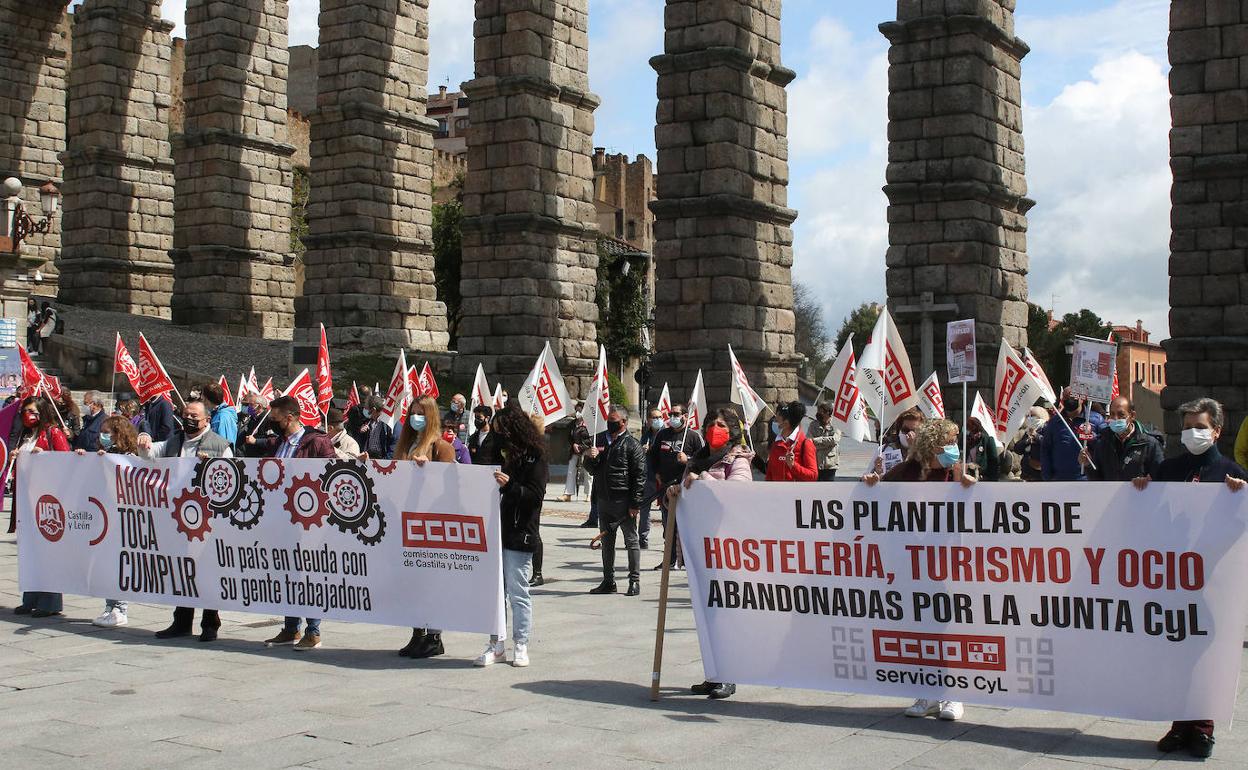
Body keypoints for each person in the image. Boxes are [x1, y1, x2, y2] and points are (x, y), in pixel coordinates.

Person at [1134, 397, 1246, 759]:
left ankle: (1202, 728)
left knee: (1205, 654)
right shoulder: (1169, 469)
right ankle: (1179, 724)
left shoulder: (1231, 474)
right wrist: (1139, 490)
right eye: (1185, 428)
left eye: (1199, 427)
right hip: (1173, 581)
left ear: (1216, 430)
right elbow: (1152, 513)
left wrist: (1241, 498)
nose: (1192, 434)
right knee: (1176, 653)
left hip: (1213, 584)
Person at [863, 418, 975, 721]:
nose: (953, 449)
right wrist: (871, 482)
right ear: (931, 445)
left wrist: (970, 486)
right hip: (912, 567)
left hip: (948, 566)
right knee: (921, 629)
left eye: (955, 443)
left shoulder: (957, 472)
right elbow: (874, 498)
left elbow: (982, 508)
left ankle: (954, 695)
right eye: (948, 443)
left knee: (948, 630)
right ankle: (927, 694)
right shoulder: (905, 473)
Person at [671, 407, 753, 701]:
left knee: (725, 617)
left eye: (720, 425)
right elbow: (688, 496)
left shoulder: (738, 460)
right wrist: (678, 492)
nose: (714, 428)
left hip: (727, 550)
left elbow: (737, 495)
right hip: (700, 549)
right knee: (707, 618)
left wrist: (703, 477)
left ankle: (729, 675)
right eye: (710, 424)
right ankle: (713, 674)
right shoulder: (696, 459)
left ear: (731, 431)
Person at [244, 396, 335, 651]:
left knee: (309, 575)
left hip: (308, 520)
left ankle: (313, 630)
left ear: (290, 418)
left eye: (275, 419)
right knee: (287, 572)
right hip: (281, 517)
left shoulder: (317, 442)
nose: (271, 423)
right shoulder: (278, 443)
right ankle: (290, 627)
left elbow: (333, 473)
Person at [138, 399, 232, 641]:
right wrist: (144, 440)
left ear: (207, 420)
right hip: (179, 516)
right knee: (183, 570)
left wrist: (210, 467)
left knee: (208, 571)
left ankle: (210, 624)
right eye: (185, 414)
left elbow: (231, 479)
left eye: (194, 416)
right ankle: (182, 620)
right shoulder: (175, 440)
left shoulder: (220, 446)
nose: (189, 419)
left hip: (207, 520)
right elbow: (148, 455)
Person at [474, 403, 547, 668]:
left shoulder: (534, 455)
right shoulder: (495, 448)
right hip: (492, 529)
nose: (498, 434)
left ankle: (521, 643)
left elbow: (536, 496)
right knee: (495, 592)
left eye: (501, 430)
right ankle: (496, 644)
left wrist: (511, 486)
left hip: (519, 531)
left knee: (518, 591)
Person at [394, 395, 457, 659]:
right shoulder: (406, 444)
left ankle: (434, 636)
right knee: (412, 583)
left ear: (430, 416)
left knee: (431, 582)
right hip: (406, 520)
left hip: (430, 522)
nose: (414, 418)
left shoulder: (440, 447)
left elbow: (451, 485)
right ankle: (417, 632)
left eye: (420, 413)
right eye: (412, 413)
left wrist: (429, 471)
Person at [12, 395, 70, 618]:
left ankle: (49, 602)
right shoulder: (26, 435)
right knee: (29, 552)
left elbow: (66, 461)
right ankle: (30, 598)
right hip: (27, 499)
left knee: (48, 552)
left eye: (33, 411)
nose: (29, 415)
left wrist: (45, 456)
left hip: (48, 500)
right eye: (26, 411)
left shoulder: (52, 432)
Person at [82, 416, 141, 628]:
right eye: (102, 432)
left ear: (118, 433)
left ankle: (120, 608)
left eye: (107, 432)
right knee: (106, 562)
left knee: (119, 563)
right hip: (104, 513)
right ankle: (109, 605)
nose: (103, 436)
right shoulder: (107, 453)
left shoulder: (130, 456)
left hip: (122, 517)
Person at [584, 405, 646, 596]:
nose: (610, 424)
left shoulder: (632, 445)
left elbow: (640, 475)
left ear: (624, 422)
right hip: (604, 499)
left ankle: (634, 580)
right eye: (609, 420)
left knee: (631, 541)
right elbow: (592, 470)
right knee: (607, 542)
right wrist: (590, 458)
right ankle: (608, 581)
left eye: (614, 421)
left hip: (624, 501)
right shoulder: (600, 440)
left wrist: (635, 503)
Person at [647, 403, 704, 570]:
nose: (672, 416)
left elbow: (703, 461)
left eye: (676, 414)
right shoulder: (662, 434)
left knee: (686, 526)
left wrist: (689, 460)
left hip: (686, 488)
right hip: (666, 488)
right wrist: (656, 472)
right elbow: (653, 456)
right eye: (671, 413)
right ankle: (669, 559)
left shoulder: (693, 436)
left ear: (685, 416)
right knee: (668, 525)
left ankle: (687, 560)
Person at [1081, 396, 1163, 481]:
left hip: (1140, 493)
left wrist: (1148, 480)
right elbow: (1097, 481)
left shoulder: (1149, 444)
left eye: (1121, 415)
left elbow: (1161, 475)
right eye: (1112, 414)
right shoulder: (1102, 443)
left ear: (1132, 415)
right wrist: (1088, 465)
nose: (1116, 419)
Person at [1041, 392, 1090, 481]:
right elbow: (1045, 450)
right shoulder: (1054, 422)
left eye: (1073, 397)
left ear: (1082, 399)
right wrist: (1047, 477)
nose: (1070, 400)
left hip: (1086, 480)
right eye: (1066, 398)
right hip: (1059, 479)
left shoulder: (1094, 420)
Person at [765, 402, 818, 482]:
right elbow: (769, 475)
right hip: (776, 493)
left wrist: (793, 465)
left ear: (786, 423)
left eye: (777, 418)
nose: (774, 420)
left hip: (796, 494)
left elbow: (813, 476)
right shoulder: (776, 443)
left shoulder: (805, 444)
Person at [639, 406, 665, 549]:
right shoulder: (646, 435)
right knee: (644, 509)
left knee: (665, 511)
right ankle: (642, 537)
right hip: (648, 477)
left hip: (662, 478)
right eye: (654, 418)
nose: (657, 420)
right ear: (648, 421)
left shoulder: (666, 433)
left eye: (660, 417)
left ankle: (668, 539)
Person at [872, 408, 924, 476]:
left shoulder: (929, 453)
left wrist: (914, 450)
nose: (910, 434)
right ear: (899, 430)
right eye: (905, 430)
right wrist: (876, 473)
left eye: (915, 431)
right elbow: (865, 480)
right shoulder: (884, 450)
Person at [561, 408, 591, 502]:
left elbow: (591, 438)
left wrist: (582, 447)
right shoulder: (572, 424)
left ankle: (589, 494)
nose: (578, 413)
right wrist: (573, 444)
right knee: (571, 470)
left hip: (586, 450)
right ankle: (568, 494)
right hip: (574, 450)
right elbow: (569, 437)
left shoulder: (590, 424)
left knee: (588, 472)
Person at [807, 403, 842, 481]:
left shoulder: (836, 424)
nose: (818, 414)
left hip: (830, 464)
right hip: (816, 463)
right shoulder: (813, 425)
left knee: (828, 490)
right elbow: (809, 441)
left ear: (828, 412)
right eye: (818, 411)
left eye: (821, 412)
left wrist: (817, 440)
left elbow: (834, 440)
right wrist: (827, 444)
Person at [359, 395, 398, 460]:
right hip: (368, 459)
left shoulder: (388, 423)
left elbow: (394, 445)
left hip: (382, 461)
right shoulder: (367, 422)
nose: (364, 411)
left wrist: (384, 462)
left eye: (366, 408)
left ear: (373, 410)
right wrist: (362, 433)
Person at [201, 381, 238, 445]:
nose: (201, 398)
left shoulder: (221, 418)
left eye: (203, 395)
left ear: (206, 399)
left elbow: (222, 444)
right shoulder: (219, 414)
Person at [964, 415, 1000, 481]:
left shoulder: (988, 440)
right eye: (970, 431)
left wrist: (992, 479)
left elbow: (994, 461)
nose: (974, 434)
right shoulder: (965, 440)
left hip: (982, 477)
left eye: (975, 431)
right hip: (967, 475)